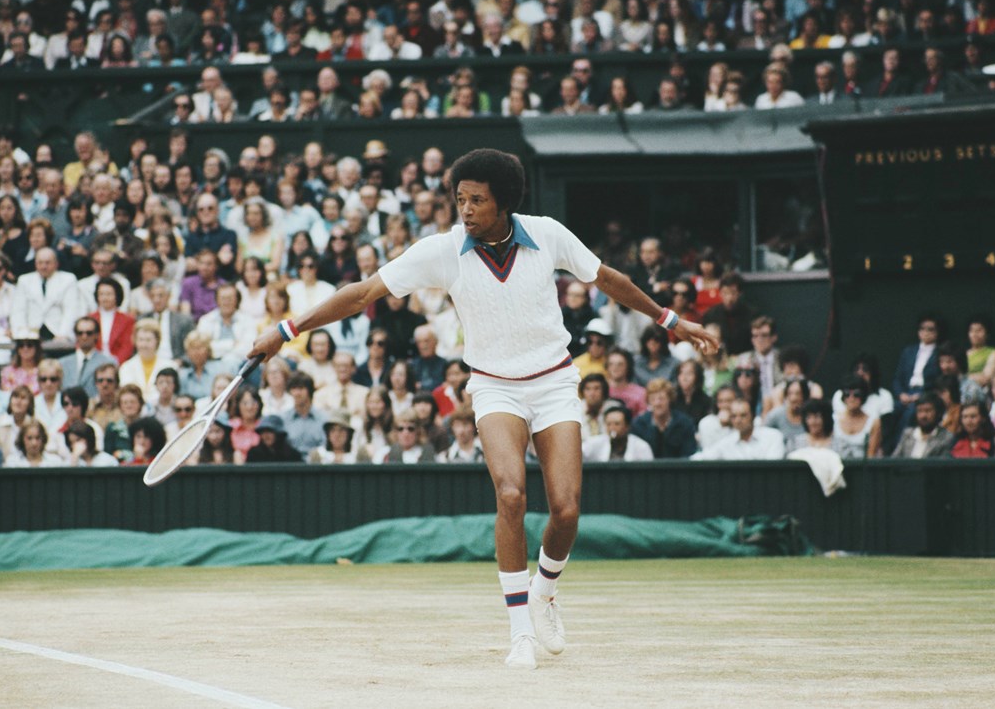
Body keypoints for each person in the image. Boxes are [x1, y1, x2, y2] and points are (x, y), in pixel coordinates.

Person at [247, 148, 717, 669]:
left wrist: (674, 321)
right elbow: (361, 294)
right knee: (511, 495)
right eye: (459, 199)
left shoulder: (548, 233)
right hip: (494, 387)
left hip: (555, 381)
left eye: (477, 200)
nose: (465, 210)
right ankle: (520, 631)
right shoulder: (441, 251)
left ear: (505, 203)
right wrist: (285, 331)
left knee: (566, 510)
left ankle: (544, 593)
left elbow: (608, 280)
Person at [693, 398, 785, 460]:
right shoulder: (727, 442)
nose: (738, 420)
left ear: (752, 416)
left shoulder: (773, 436)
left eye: (743, 415)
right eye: (734, 416)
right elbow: (701, 457)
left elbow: (774, 468)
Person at [630, 378, 697, 458]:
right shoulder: (638, 425)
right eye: (653, 399)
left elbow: (689, 454)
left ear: (670, 399)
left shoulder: (685, 423)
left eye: (661, 399)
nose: (657, 403)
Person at [59, 316, 117, 398]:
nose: (84, 337)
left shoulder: (109, 362)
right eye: (80, 333)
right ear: (75, 335)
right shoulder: (62, 364)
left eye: (89, 333)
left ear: (96, 335)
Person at [890, 392, 954, 458]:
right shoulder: (908, 434)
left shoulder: (946, 437)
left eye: (928, 411)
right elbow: (894, 461)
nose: (923, 415)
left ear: (938, 413)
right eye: (919, 411)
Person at [832, 376, 881, 459]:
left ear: (863, 396)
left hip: (863, 469)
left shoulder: (874, 422)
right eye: (847, 394)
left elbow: (871, 455)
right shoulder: (833, 420)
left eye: (856, 394)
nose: (851, 398)